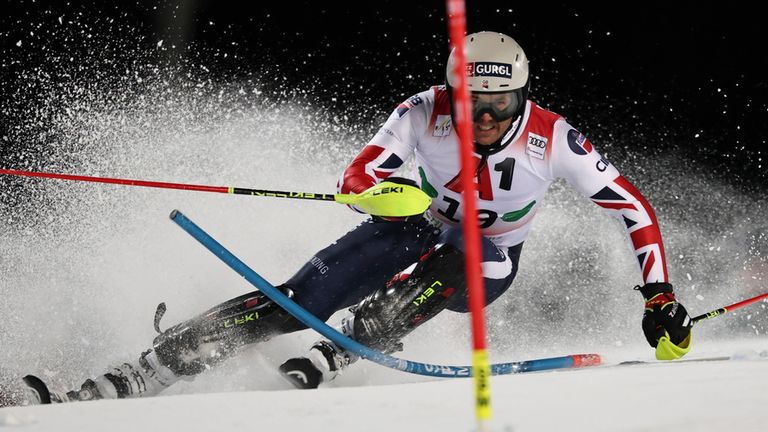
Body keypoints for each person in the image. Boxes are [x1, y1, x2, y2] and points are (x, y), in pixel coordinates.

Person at [14, 31, 693, 403]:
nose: (486, 119)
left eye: (501, 105)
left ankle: (350, 342)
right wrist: (381, 192)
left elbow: (631, 206)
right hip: (414, 224)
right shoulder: (421, 111)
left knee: (468, 255)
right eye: (472, 104)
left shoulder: (554, 138)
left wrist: (658, 295)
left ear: (523, 96)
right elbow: (357, 174)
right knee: (298, 299)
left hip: (488, 259)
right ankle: (144, 371)